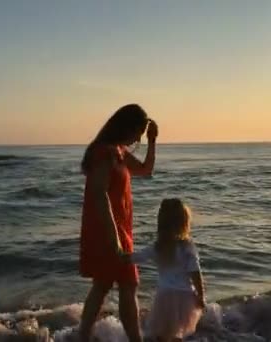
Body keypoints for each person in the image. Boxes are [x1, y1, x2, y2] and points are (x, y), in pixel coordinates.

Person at [78, 104, 158, 342]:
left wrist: (153, 141)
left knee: (105, 285)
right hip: (108, 229)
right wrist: (114, 237)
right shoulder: (106, 153)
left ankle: (83, 337)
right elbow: (99, 194)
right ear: (127, 127)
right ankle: (134, 339)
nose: (138, 138)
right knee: (126, 284)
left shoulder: (119, 151)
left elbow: (146, 169)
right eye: (138, 132)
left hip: (119, 228)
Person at [122, 198, 206, 342]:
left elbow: (138, 257)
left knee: (162, 335)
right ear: (184, 222)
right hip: (185, 297)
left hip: (165, 296)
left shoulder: (158, 247)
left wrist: (119, 254)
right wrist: (200, 295)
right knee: (177, 335)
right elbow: (195, 272)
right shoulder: (187, 247)